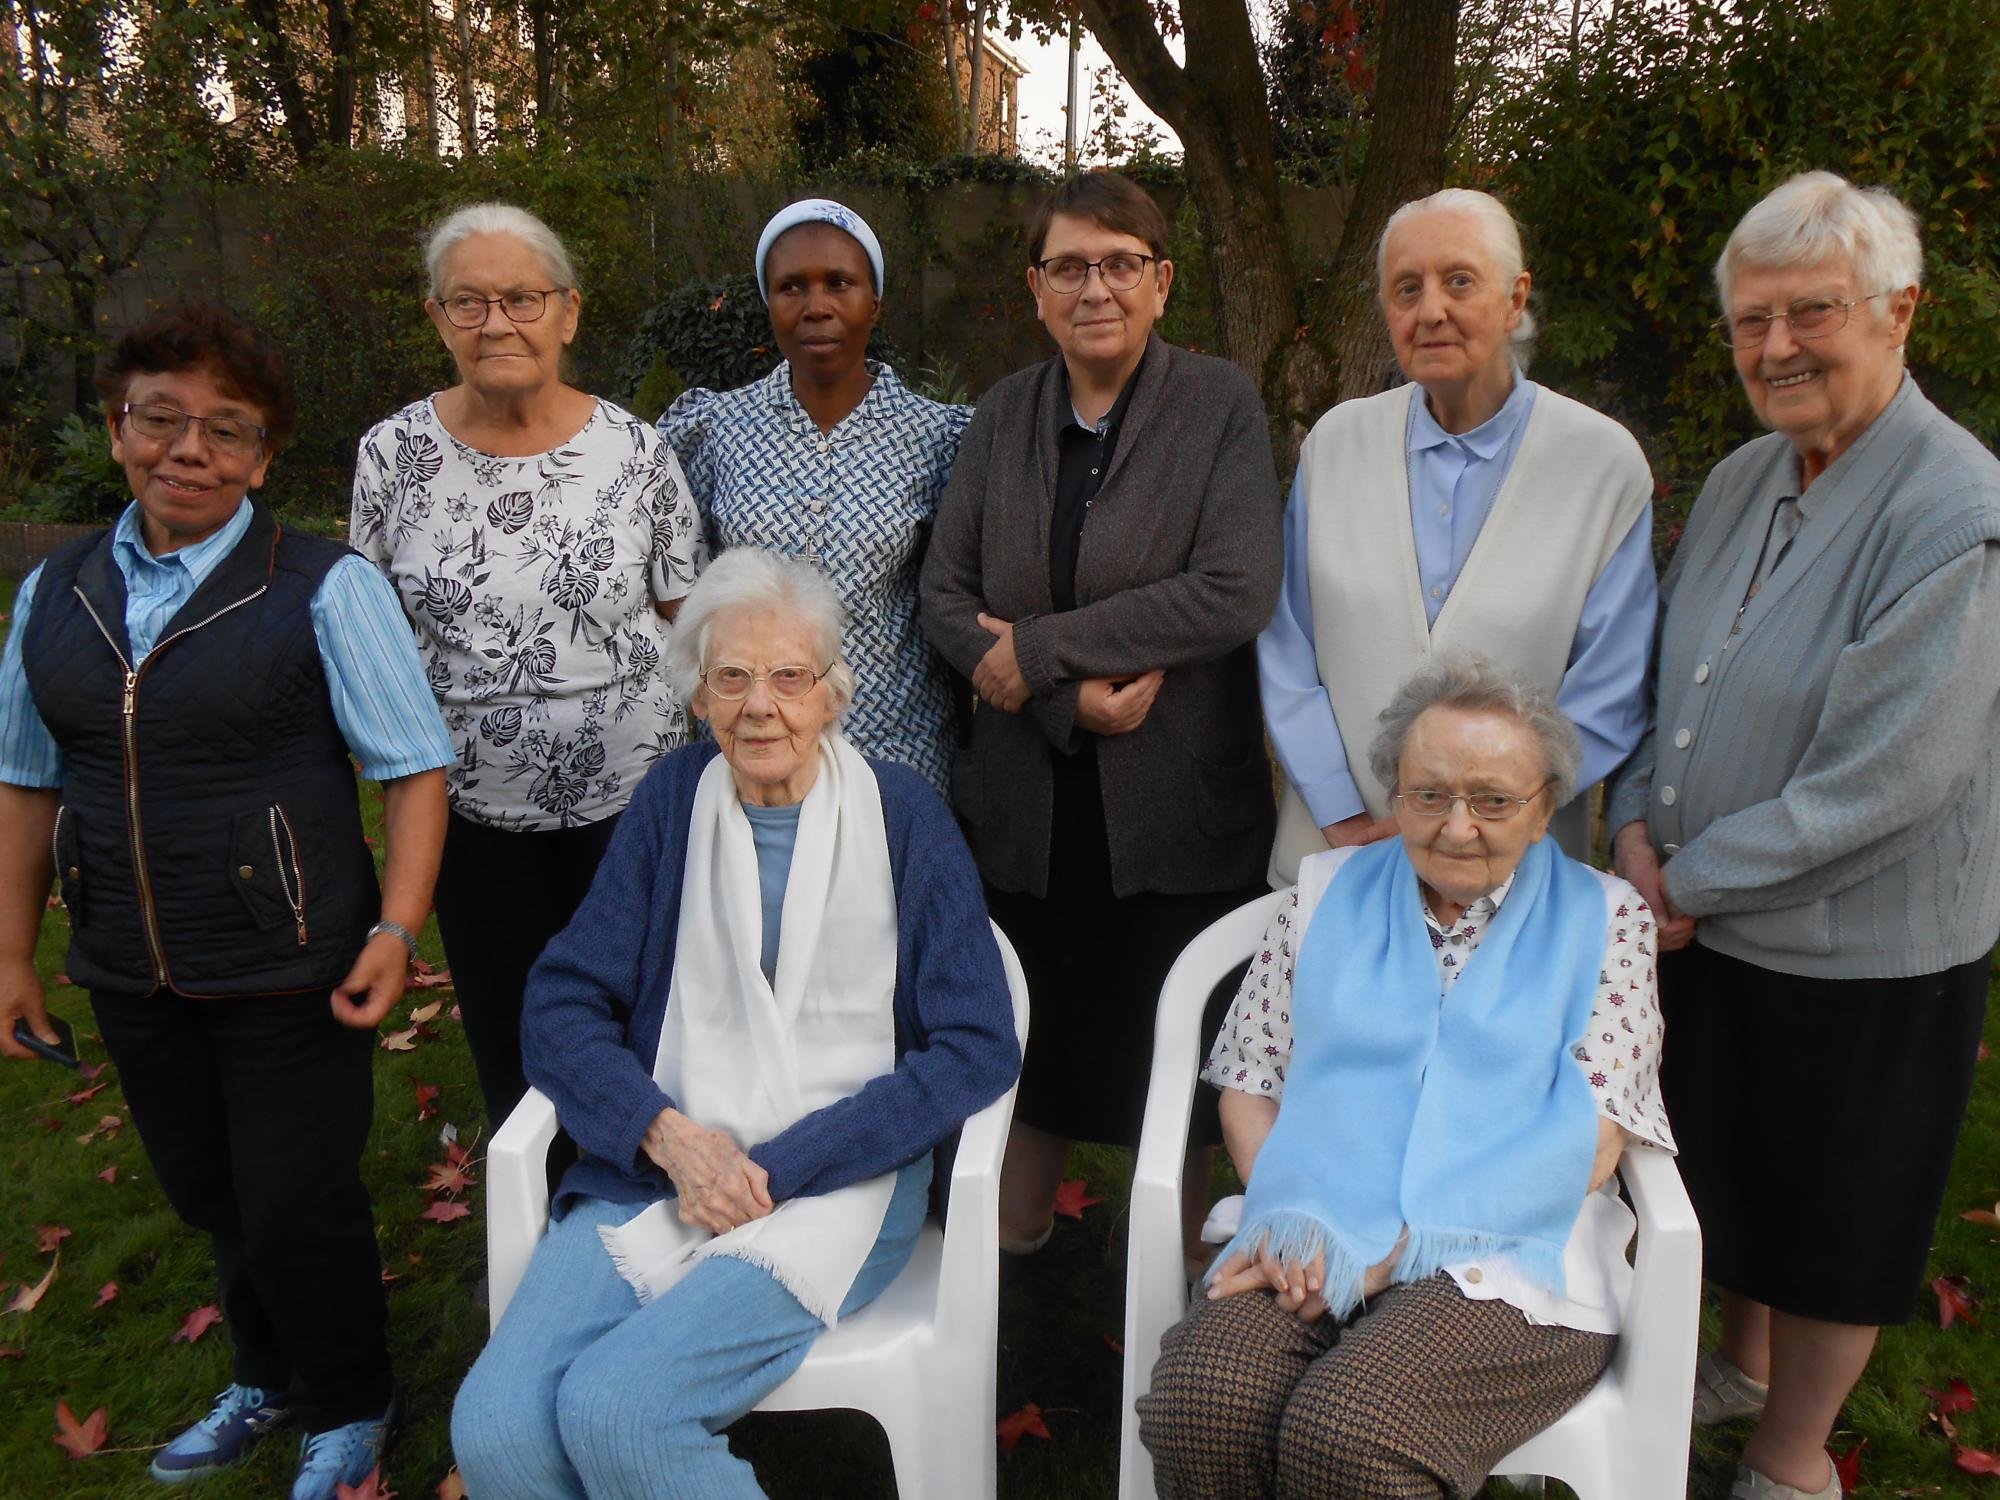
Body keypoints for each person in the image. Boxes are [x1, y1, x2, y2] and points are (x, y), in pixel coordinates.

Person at [449, 548, 1021, 1500]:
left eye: (789, 676)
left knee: (622, 1410)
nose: (762, 705)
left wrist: (781, 1165)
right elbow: (561, 1001)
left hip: (842, 1185)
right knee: (497, 1429)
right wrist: (666, 1136)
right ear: (699, 699)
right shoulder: (672, 804)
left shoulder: (905, 817)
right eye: (732, 677)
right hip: (656, 1168)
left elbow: (975, 1045)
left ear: (833, 695)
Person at [0, 302, 452, 1499]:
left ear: (261, 459)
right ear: (116, 431)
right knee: (209, 1190)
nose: (187, 450)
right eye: (162, 419)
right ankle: (266, 1371)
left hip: (292, 954)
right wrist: (12, 956)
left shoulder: (320, 586)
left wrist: (397, 929)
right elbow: (26, 778)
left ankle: (351, 1399)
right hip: (128, 956)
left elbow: (411, 765)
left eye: (225, 431)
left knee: (296, 1199)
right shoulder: (55, 593)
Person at [1607, 171, 2000, 1500]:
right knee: (1726, 1165)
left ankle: (1789, 1461)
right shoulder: (1738, 478)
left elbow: (1888, 776)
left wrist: (1687, 878)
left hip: (1865, 945)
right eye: (1749, 320)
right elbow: (1669, 676)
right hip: (1706, 912)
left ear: (1899, 311)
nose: (1776, 347)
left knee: (1837, 1208)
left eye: (1812, 312)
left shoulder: (1953, 506)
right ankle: (1742, 1366)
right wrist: (1633, 832)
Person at [1138, 655, 1675, 1499]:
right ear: (1397, 796)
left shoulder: (1608, 919)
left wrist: (1387, 1260)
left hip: (1506, 1257)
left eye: (1493, 800)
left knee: (1354, 1431)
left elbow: (1597, 1139)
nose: (1458, 826)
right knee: (1204, 1400)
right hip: (1312, 1224)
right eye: (1430, 795)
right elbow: (1251, 1076)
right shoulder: (1322, 893)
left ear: (1544, 811)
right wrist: (1292, 1219)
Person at [920, 171, 1283, 1261]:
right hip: (1026, 813)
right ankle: (1011, 1260)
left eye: (1119, 263)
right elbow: (941, 597)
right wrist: (1059, 694)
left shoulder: (1216, 407)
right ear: (1036, 288)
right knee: (1028, 1050)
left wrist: (1029, 650)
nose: (1095, 288)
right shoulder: (999, 417)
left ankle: (1168, 1290)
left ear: (1160, 282)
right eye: (1069, 266)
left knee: (1173, 1064)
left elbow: (1230, 589)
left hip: (1174, 818)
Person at [352, 201, 706, 1126]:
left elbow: (690, 622)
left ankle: (640, 1190)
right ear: (437, 319)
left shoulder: (636, 452)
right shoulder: (392, 459)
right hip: (470, 809)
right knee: (510, 1022)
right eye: (468, 303)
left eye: (522, 298)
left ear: (568, 313)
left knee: (642, 1014)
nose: (498, 322)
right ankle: (533, 1213)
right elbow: (376, 649)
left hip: (636, 803)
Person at [1262, 188, 1656, 886]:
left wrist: (1483, 830)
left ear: (1515, 299)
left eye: (1460, 281)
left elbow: (1609, 692)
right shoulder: (1335, 446)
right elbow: (1288, 649)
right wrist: (1343, 814)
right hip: (1336, 863)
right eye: (1407, 288)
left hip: (1517, 878)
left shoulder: (1603, 465)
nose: (1431, 310)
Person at [658, 197, 970, 795]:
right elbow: (669, 575)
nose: (816, 306)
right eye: (791, 287)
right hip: (751, 741)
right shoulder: (717, 431)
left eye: (840, 283)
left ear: (874, 302)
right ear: (769, 302)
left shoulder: (936, 437)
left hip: (893, 746)